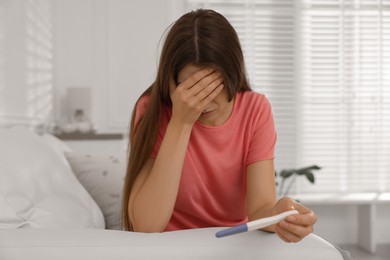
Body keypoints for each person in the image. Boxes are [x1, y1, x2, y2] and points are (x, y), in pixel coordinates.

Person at [122, 9, 317, 243]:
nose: (204, 100)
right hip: (171, 245)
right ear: (172, 83)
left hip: (232, 242)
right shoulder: (151, 110)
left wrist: (279, 214)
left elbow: (260, 209)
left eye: (214, 85)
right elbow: (146, 225)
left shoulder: (255, 109)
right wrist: (181, 122)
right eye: (191, 88)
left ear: (233, 72)